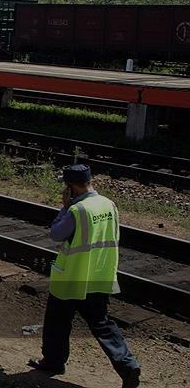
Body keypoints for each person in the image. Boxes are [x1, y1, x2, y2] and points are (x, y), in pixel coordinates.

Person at [28, 164, 141, 388]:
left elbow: (56, 234)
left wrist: (64, 208)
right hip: (99, 274)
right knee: (101, 323)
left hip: (72, 276)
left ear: (71, 188)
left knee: (57, 322)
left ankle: (53, 362)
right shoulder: (109, 204)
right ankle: (128, 365)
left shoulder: (77, 210)